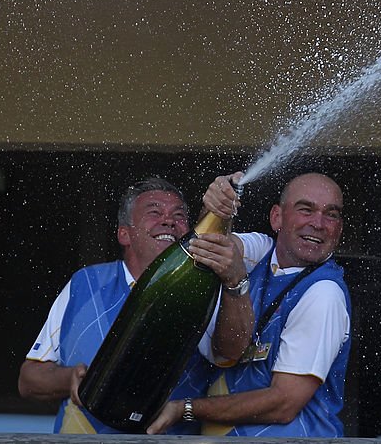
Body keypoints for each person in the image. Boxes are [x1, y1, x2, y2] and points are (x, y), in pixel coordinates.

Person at [18, 177, 251, 434]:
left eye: (179, 215)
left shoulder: (203, 287)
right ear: (124, 234)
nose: (169, 221)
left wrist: (235, 282)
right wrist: (69, 378)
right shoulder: (85, 283)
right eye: (154, 212)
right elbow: (29, 379)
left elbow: (230, 353)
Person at [148, 171, 352, 437]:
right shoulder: (263, 251)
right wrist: (217, 209)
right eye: (306, 209)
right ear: (276, 217)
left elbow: (283, 404)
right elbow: (209, 246)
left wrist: (184, 408)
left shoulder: (324, 293)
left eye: (331, 214)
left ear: (339, 228)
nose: (319, 223)